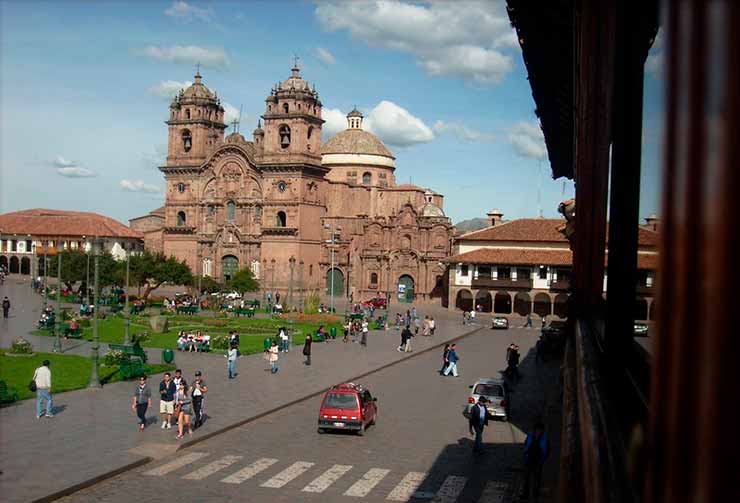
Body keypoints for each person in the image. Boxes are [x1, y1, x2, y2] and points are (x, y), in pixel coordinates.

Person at [521, 422, 550, 500]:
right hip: (529, 460)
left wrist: (542, 460)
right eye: (536, 430)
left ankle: (535, 496)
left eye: (539, 431)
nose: (537, 432)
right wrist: (525, 454)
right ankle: (525, 494)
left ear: (542, 431)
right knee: (526, 478)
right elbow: (525, 444)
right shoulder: (530, 436)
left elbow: (547, 451)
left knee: (537, 480)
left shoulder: (545, 439)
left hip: (538, 462)